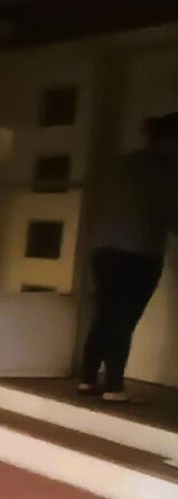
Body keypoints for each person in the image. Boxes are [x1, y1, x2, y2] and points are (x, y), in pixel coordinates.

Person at [78, 111, 178, 402]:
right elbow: (171, 214)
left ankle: (87, 378)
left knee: (105, 314)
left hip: (103, 248)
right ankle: (113, 385)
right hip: (139, 252)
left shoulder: (123, 164)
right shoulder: (167, 170)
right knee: (125, 319)